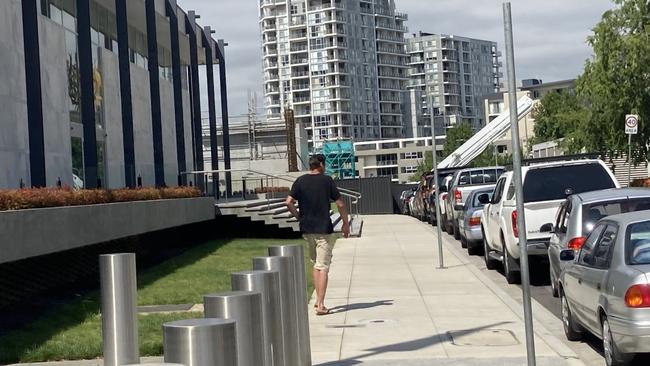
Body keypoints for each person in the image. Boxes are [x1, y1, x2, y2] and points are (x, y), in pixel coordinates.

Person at [286, 154, 350, 316]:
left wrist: (298, 216)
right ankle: (321, 304)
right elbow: (340, 203)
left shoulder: (300, 181)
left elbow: (288, 202)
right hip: (323, 229)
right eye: (325, 164)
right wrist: (345, 223)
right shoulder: (326, 180)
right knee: (323, 267)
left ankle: (317, 301)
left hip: (307, 229)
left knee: (316, 264)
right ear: (320, 164)